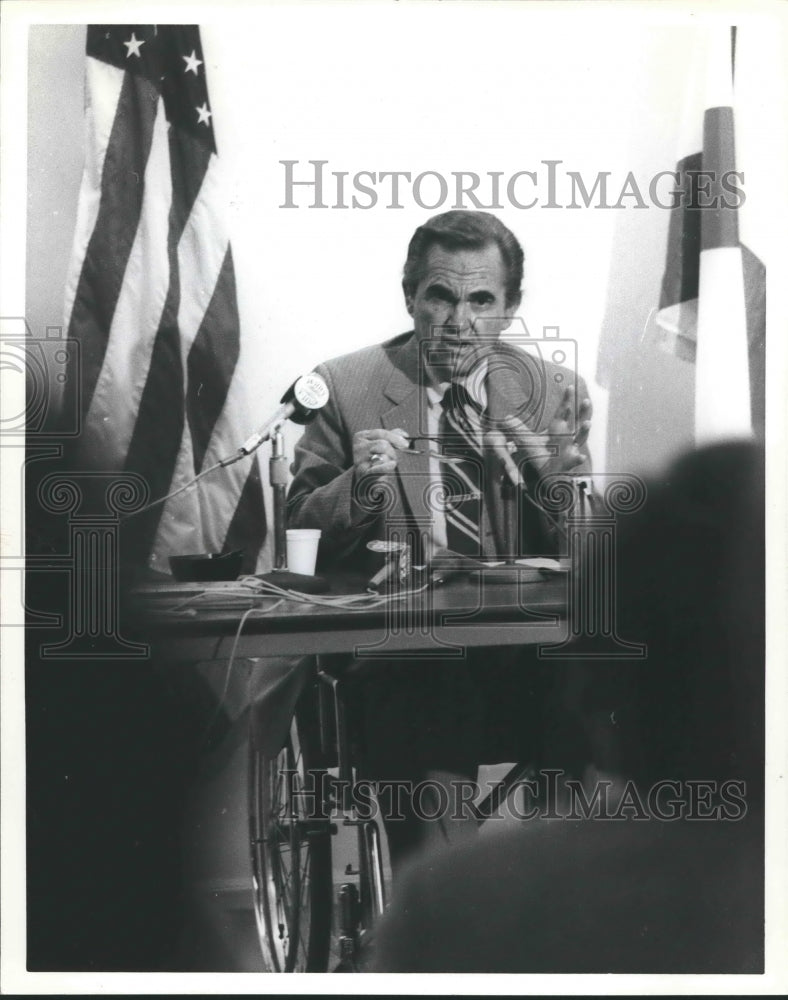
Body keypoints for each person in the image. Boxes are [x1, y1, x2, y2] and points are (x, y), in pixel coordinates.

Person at [287, 210, 593, 868]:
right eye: (441, 297)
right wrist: (360, 485)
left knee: (599, 679)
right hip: (408, 660)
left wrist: (548, 475)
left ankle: (572, 894)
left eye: (481, 300)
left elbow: (594, 551)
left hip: (520, 659)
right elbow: (296, 537)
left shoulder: (553, 392)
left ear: (510, 307)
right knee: (426, 689)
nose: (459, 322)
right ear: (410, 296)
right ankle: (444, 916)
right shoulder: (347, 387)